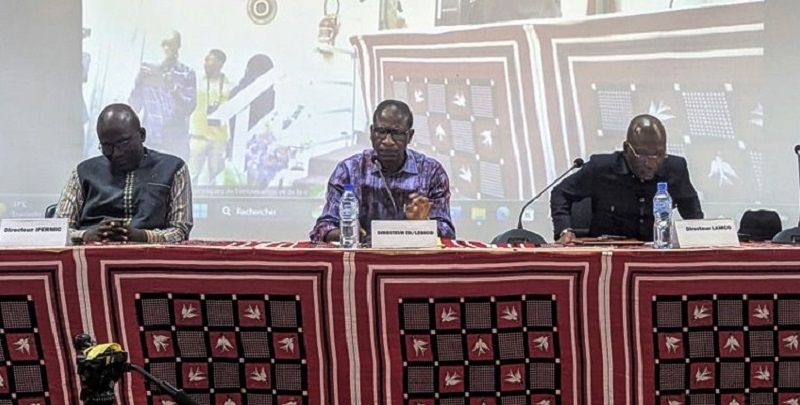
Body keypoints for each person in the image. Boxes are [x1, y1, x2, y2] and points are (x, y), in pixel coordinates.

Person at [310, 99, 455, 242]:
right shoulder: (348, 170)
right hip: (363, 255)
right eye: (381, 132)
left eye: (396, 133)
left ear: (409, 136)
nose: (388, 141)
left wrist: (423, 225)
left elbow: (447, 232)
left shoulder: (431, 172)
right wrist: (348, 232)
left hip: (412, 255)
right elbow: (322, 228)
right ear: (372, 133)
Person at [550, 114, 703, 243]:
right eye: (642, 154)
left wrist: (699, 237)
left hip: (654, 252)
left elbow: (692, 214)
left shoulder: (675, 169)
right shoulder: (601, 168)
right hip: (608, 254)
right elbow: (560, 193)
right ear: (626, 149)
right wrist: (565, 230)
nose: (650, 163)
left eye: (658, 154)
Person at [55, 103, 193, 243]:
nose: (116, 153)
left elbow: (180, 231)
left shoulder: (173, 169)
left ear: (142, 135)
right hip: (92, 251)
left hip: (149, 253)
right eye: (107, 146)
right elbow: (58, 231)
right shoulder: (83, 172)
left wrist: (143, 236)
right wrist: (86, 236)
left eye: (123, 143)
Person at [129, 30, 196, 162]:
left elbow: (188, 108)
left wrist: (173, 88)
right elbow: (134, 107)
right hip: (150, 141)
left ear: (178, 46)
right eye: (164, 44)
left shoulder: (187, 73)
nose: (167, 48)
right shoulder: (147, 71)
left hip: (175, 144)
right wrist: (138, 83)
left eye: (171, 44)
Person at [188, 49, 232, 185]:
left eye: (210, 60)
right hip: (198, 135)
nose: (205, 63)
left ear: (220, 63)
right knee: (192, 173)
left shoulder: (228, 85)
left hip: (219, 137)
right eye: (205, 60)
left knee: (216, 175)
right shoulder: (198, 82)